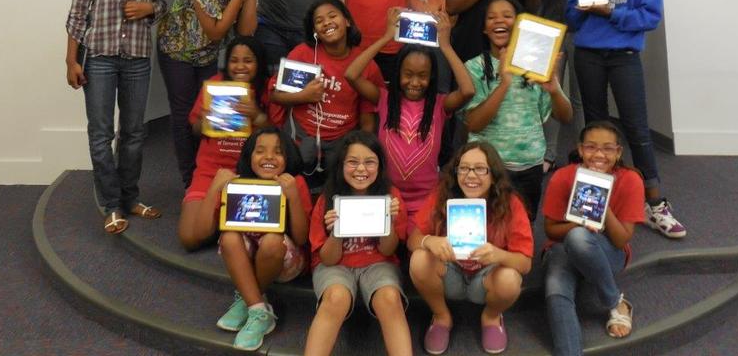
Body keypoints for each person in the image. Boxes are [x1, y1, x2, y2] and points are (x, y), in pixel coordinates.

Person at [566, 0, 686, 238]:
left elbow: (650, 17)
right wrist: (580, 9)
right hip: (588, 53)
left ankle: (655, 203)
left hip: (624, 55)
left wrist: (610, 12)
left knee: (636, 128)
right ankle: (594, 201)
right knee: (593, 127)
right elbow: (571, 21)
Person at [65, 0, 167, 235]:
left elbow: (162, 5)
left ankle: (130, 198)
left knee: (134, 133)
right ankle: (110, 204)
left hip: (138, 56)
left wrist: (150, 8)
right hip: (100, 57)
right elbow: (78, 13)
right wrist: (71, 61)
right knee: (101, 133)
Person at [157, 0, 271, 187]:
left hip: (207, 56)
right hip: (178, 53)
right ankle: (191, 181)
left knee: (210, 115)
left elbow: (244, 33)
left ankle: (208, 173)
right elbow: (216, 33)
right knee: (186, 117)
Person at [344, 7, 475, 231]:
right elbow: (351, 74)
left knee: (418, 251)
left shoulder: (439, 104)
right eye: (408, 74)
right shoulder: (383, 98)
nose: (415, 82)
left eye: (423, 76)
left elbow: (468, 90)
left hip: (427, 199)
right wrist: (387, 37)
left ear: (431, 78)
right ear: (397, 74)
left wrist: (445, 45)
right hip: (387, 195)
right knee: (388, 251)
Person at [408, 142, 533, 355]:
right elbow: (413, 240)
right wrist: (429, 241)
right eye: (463, 168)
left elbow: (525, 264)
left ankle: (491, 317)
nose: (470, 175)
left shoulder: (511, 204)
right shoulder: (443, 195)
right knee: (419, 259)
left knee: (510, 278)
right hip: (450, 274)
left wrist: (498, 254)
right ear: (455, 172)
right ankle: (441, 316)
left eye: (480, 168)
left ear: (493, 174)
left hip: (486, 280)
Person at [463, 0, 572, 218]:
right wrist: (504, 83)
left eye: (507, 16)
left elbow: (565, 116)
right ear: (484, 28)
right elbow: (473, 123)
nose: (499, 21)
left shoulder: (536, 67)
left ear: (520, 25)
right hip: (486, 166)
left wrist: (554, 89)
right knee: (486, 226)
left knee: (523, 226)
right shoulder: (473, 66)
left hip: (529, 165)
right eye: (491, 17)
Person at [304, 131, 411, 356]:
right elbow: (328, 258)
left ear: (380, 166)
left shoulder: (391, 197)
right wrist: (336, 233)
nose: (361, 169)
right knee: (336, 296)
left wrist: (389, 222)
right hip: (336, 264)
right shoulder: (328, 199)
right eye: (352, 162)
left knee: (390, 298)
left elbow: (388, 249)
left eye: (369, 162)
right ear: (341, 166)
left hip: (378, 261)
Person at [542, 121, 645, 354]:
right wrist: (578, 222)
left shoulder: (630, 180)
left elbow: (621, 241)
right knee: (555, 288)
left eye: (608, 148)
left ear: (618, 152)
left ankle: (612, 300)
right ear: (580, 150)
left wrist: (603, 203)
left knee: (579, 238)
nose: (599, 154)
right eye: (591, 147)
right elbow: (550, 231)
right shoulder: (563, 176)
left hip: (607, 252)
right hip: (561, 249)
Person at [269, 0, 384, 189]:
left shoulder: (365, 64)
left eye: (332, 16)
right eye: (319, 21)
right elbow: (275, 95)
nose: (327, 23)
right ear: (314, 31)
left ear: (347, 21)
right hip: (301, 138)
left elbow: (368, 118)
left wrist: (360, 153)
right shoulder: (303, 53)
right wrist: (303, 97)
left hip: (342, 145)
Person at [216, 127, 312, 351]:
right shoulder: (239, 183)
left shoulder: (294, 183)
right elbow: (228, 223)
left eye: (278, 152)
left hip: (286, 260)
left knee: (270, 240)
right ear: (249, 156)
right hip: (250, 258)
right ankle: (258, 309)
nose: (269, 157)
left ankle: (247, 298)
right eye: (260, 151)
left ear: (288, 157)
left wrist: (294, 197)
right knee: (229, 236)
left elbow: (301, 237)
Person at [177, 36, 270, 251]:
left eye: (248, 60)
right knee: (189, 238)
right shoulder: (215, 85)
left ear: (259, 63)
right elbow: (195, 129)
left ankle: (223, 219)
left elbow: (277, 137)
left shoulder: (267, 90)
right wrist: (205, 120)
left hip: (251, 173)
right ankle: (224, 218)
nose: (240, 66)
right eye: (234, 60)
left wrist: (257, 115)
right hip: (211, 172)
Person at [537, 0, 586, 169]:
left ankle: (583, 152)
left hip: (580, 33)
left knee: (580, 97)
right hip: (547, 34)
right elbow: (534, 1)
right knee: (549, 95)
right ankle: (549, 154)